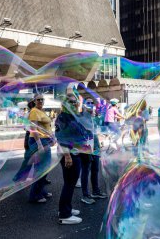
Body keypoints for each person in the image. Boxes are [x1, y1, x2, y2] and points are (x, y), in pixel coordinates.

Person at [55, 91, 93, 225]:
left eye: (75, 101)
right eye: (70, 102)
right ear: (65, 104)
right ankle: (65, 215)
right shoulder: (63, 117)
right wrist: (67, 156)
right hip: (69, 155)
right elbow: (61, 138)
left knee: (69, 183)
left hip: (74, 153)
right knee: (69, 184)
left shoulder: (70, 116)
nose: (74, 103)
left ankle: (65, 209)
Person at [80, 98, 107, 205]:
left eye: (92, 103)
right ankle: (85, 195)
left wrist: (99, 144)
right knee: (86, 171)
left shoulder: (93, 118)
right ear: (84, 105)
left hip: (95, 148)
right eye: (88, 103)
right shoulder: (82, 118)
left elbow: (94, 133)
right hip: (86, 149)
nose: (91, 104)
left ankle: (95, 191)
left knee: (95, 170)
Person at [27, 94, 54, 203]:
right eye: (38, 99)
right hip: (38, 140)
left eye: (42, 99)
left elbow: (44, 128)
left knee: (44, 168)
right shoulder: (34, 111)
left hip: (44, 140)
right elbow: (34, 129)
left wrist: (51, 137)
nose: (41, 101)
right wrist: (39, 144)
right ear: (34, 101)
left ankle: (40, 191)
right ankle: (34, 195)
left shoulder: (41, 111)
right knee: (41, 168)